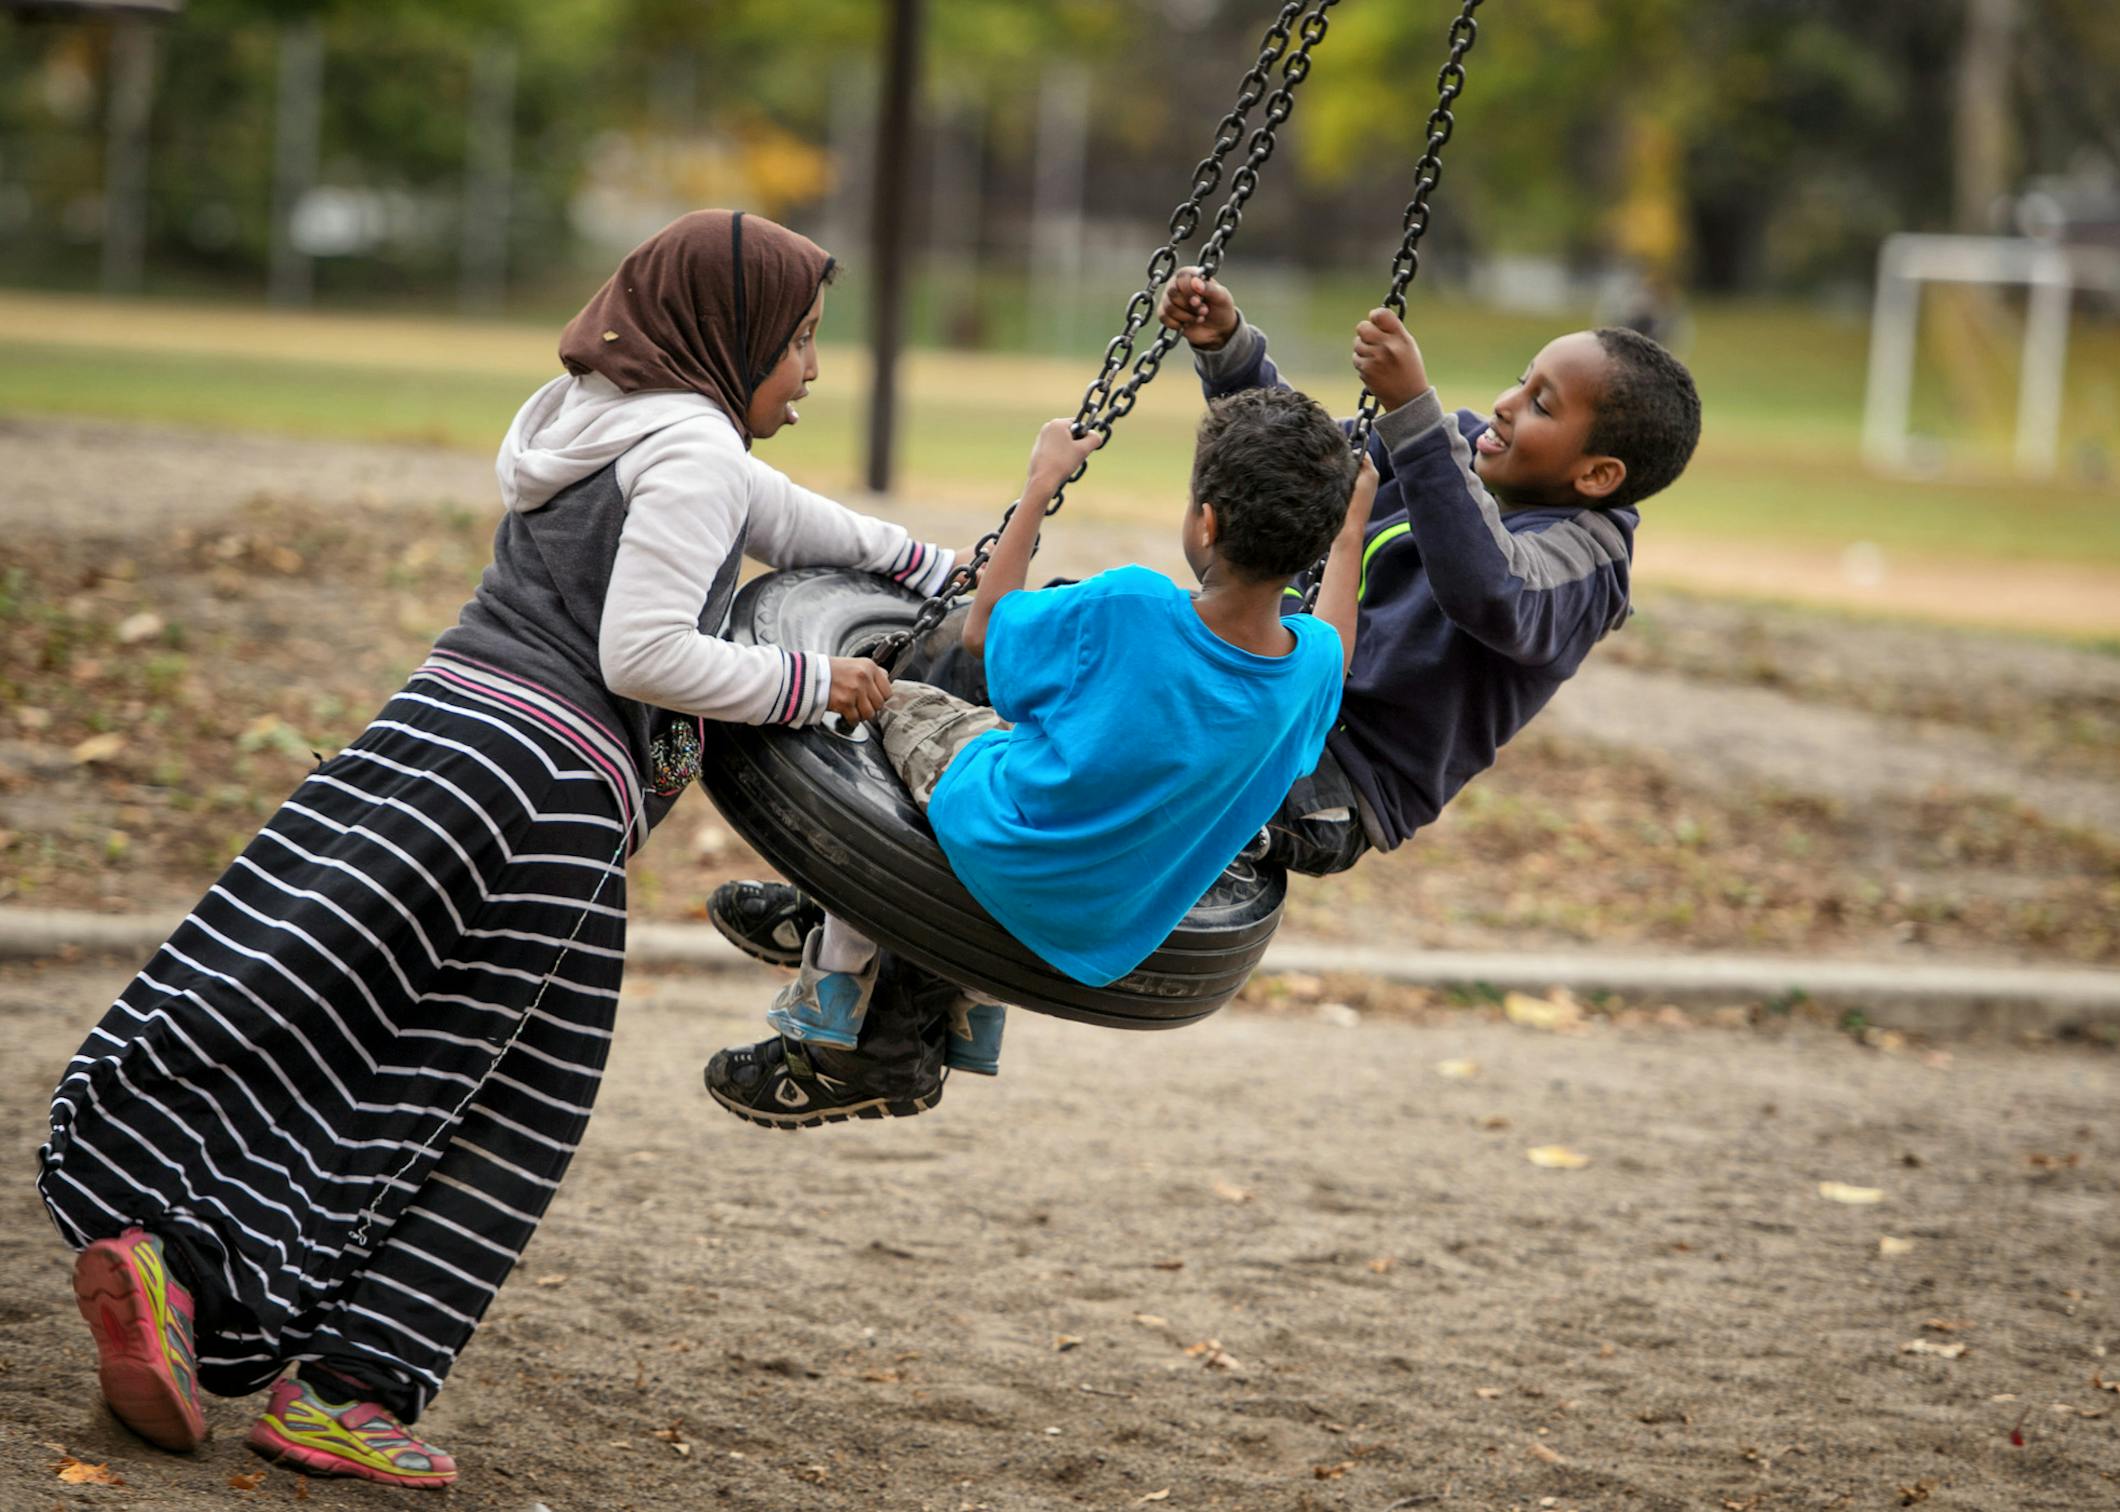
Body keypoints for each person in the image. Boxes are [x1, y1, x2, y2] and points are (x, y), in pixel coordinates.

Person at [36, 210, 956, 1487]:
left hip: (434, 730)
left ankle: (172, 1260)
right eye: (798, 342)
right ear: (729, 334)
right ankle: (348, 1389)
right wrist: (816, 683)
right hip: (547, 791)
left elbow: (809, 529)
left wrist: (941, 568)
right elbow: (644, 654)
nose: (811, 371)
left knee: (335, 1009)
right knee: (509, 1096)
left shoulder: (599, 412)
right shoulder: (691, 451)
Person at [707, 270, 1702, 1094]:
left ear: (1599, 476)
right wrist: (1233, 357)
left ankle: (861, 1012)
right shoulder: (1446, 456)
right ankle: (867, 912)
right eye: (1522, 384)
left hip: (1330, 780)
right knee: (1057, 721)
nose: (1508, 408)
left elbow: (1493, 594)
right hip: (1269, 681)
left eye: (1543, 406)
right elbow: (1297, 484)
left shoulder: (1582, 562)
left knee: (1031, 735)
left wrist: (1414, 414)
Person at [703, 387, 1376, 1127]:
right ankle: (969, 1009)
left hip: (1001, 846)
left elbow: (982, 633)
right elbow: (1336, 646)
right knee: (1032, 753)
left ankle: (834, 1010)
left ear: (1206, 522)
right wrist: (1350, 539)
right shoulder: (1309, 671)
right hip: (1105, 932)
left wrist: (1041, 484)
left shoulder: (1132, 606)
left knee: (881, 711)